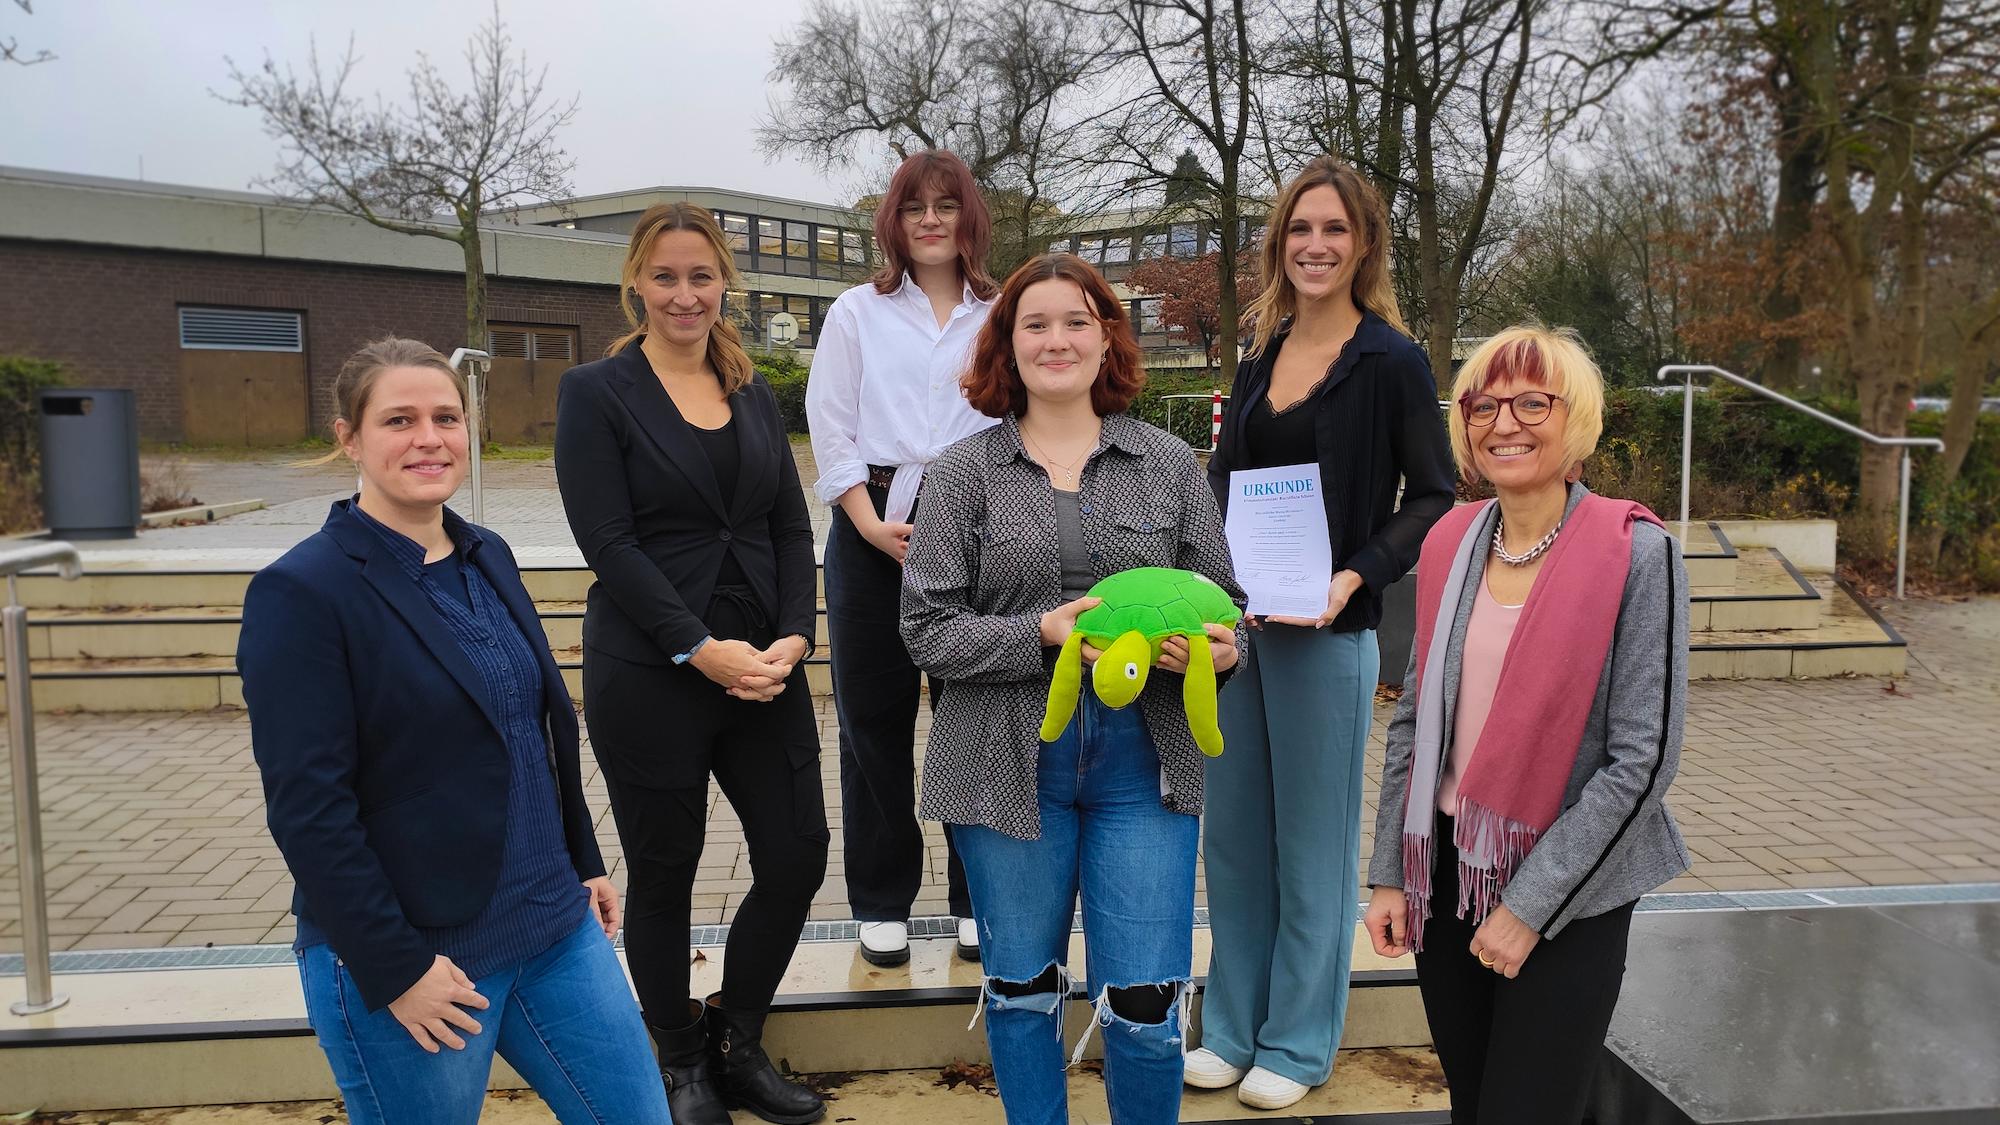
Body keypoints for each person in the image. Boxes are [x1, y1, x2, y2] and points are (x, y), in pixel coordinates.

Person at [238, 338, 669, 1125]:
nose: (428, 437)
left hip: (552, 926)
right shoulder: (303, 591)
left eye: (446, 417)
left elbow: (529, 728)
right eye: (398, 419)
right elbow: (308, 808)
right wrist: (398, 967)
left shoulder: (487, 553)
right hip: (419, 956)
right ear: (349, 438)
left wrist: (581, 857)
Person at [901, 252, 1246, 1125]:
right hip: (1005, 762)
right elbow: (926, 628)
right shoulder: (962, 472)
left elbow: (1229, 609)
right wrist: (1037, 633)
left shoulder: (1170, 465)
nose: (1057, 339)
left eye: (1077, 321)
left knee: (1141, 1001)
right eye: (1036, 323)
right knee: (1020, 992)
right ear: (1007, 346)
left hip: (1145, 765)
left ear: (1106, 339)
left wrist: (1217, 650)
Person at [1362, 326, 1691, 1123]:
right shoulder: (1450, 539)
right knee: (1474, 1104)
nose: (1504, 421)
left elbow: (1642, 762)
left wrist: (1529, 906)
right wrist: (1388, 872)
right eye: (1484, 403)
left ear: (1573, 419)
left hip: (1569, 886)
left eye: (1532, 402)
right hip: (1447, 871)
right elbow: (1414, 721)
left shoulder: (1641, 552)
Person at [1190, 156, 1456, 1110]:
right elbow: (1223, 479)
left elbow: (1434, 493)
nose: (1315, 245)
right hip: (1243, 632)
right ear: (1279, 242)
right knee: (1235, 844)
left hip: (1330, 631)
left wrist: (1358, 574)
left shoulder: (1393, 360)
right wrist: (1207, 579)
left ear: (1363, 245)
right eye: (1301, 229)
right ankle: (1228, 1027)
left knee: (1312, 849)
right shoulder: (1260, 353)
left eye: (1335, 230)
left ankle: (1298, 1044)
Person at [555, 203, 828, 1125]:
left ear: (725, 284)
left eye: (701, 276)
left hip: (764, 664)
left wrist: (796, 635)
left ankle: (735, 1038)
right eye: (666, 276)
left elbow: (790, 524)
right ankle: (676, 1059)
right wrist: (701, 649)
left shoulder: (751, 390)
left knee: (797, 852)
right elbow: (608, 541)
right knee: (665, 867)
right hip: (653, 667)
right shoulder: (596, 392)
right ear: (636, 280)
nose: (685, 293)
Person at [806, 149, 999, 967]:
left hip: (978, 526)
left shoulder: (1001, 310)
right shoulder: (857, 311)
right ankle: (882, 899)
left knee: (976, 717)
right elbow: (831, 421)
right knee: (871, 724)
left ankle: (974, 896)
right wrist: (866, 518)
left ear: (967, 218)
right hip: (870, 527)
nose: (929, 219)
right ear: (894, 220)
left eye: (945, 205)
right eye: (914, 205)